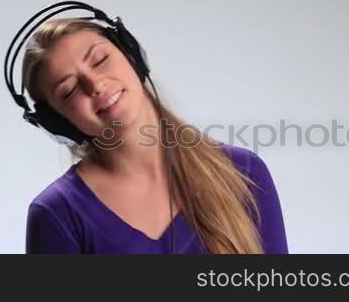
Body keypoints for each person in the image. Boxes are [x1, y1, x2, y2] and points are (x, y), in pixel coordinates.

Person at [22, 18, 288, 254]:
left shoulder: (243, 171)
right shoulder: (56, 216)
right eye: (69, 90)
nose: (95, 85)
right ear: (59, 123)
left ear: (132, 56)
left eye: (100, 60)